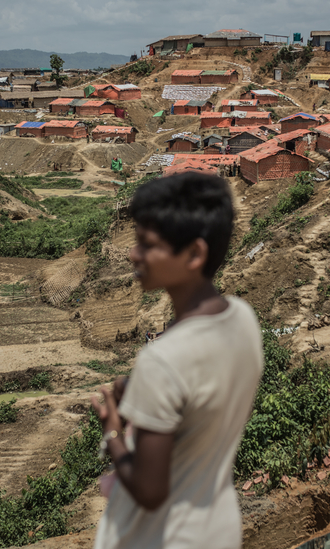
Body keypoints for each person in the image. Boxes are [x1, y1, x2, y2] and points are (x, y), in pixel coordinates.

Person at [91, 172, 263, 549]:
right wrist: (145, 397)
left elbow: (150, 491)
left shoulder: (163, 360)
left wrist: (113, 432)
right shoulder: (243, 319)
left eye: (147, 244)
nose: (134, 254)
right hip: (216, 530)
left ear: (195, 254)